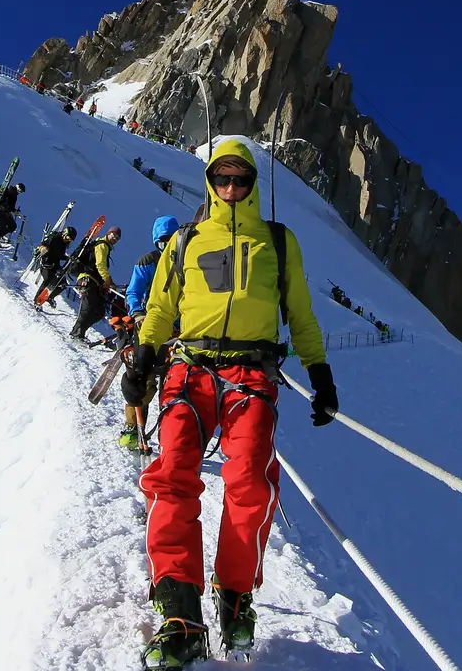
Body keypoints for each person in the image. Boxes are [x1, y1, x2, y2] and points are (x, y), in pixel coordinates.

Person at [120, 141, 336, 665]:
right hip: (189, 367)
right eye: (223, 179)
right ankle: (179, 608)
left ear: (253, 184)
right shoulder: (188, 241)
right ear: (211, 183)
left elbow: (302, 314)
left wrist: (320, 372)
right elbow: (161, 305)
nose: (231, 188)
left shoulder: (279, 242)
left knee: (251, 482)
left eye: (240, 179)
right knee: (172, 474)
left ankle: (235, 596)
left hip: (251, 374)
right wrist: (144, 355)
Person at [114, 215, 180, 451]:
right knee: (142, 379)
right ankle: (132, 427)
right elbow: (133, 292)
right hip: (150, 326)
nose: (166, 243)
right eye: (162, 240)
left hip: (180, 331)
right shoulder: (147, 262)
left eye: (170, 239)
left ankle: (172, 434)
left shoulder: (187, 261)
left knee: (178, 383)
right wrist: (139, 313)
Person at [67, 225, 121, 341]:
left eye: (117, 238)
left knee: (99, 311)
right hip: (87, 278)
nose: (115, 239)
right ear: (108, 233)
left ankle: (79, 332)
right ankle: (76, 333)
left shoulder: (104, 246)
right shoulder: (102, 245)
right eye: (114, 235)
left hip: (95, 281)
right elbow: (100, 265)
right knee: (88, 307)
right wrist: (108, 281)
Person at [37, 225, 77, 295]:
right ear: (64, 233)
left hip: (55, 265)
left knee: (62, 284)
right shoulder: (54, 237)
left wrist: (68, 258)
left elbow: (59, 255)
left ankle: (50, 298)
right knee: (48, 280)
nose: (68, 240)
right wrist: (43, 249)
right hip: (47, 264)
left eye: (70, 239)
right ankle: (37, 300)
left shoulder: (63, 244)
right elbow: (44, 244)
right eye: (68, 237)